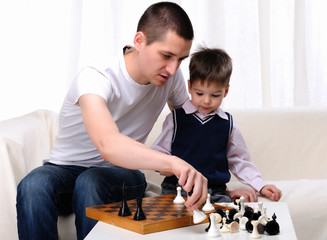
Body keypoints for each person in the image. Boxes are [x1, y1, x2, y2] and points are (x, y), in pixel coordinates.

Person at [16, 2, 208, 240]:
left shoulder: (172, 77)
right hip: (64, 170)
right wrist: (172, 163)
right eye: (166, 55)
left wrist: (216, 182)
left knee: (91, 182)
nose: (172, 68)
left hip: (121, 175)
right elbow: (108, 144)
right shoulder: (96, 78)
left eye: (180, 59)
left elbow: (191, 127)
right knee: (34, 185)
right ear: (139, 41)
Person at [152, 47, 282, 203]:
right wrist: (165, 167)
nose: (206, 101)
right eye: (199, 93)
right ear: (189, 87)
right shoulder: (175, 119)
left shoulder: (228, 124)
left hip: (215, 192)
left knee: (224, 222)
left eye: (215, 95)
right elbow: (158, 153)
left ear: (225, 91)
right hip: (177, 190)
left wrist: (260, 185)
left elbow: (239, 160)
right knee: (172, 222)